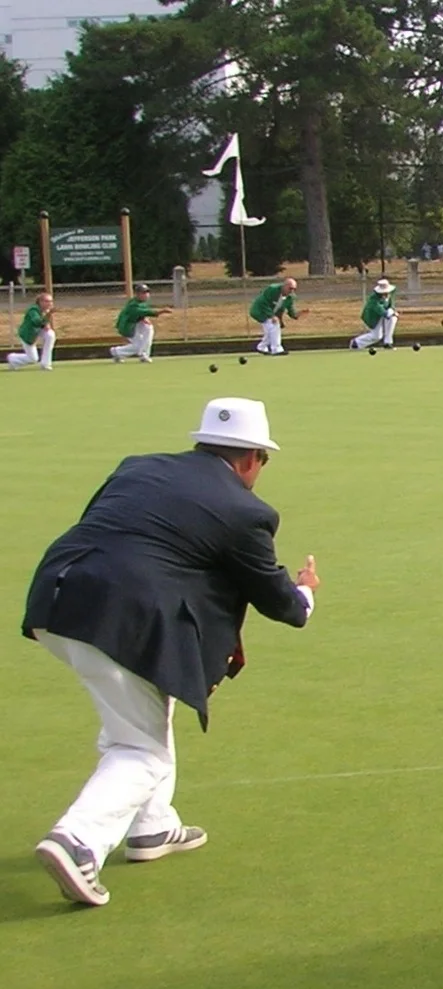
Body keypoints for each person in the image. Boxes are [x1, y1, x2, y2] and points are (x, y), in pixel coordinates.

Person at [25, 397, 320, 908]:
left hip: (56, 594)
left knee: (136, 706)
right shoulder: (246, 511)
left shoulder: (138, 468)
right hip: (119, 617)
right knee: (140, 751)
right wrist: (307, 590)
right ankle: (78, 841)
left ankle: (153, 826)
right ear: (251, 458)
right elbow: (283, 606)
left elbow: (129, 537)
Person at [111, 284, 167, 364]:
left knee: (148, 328)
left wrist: (143, 318)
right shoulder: (133, 305)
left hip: (135, 324)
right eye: (143, 292)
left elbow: (141, 313)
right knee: (138, 346)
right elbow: (141, 311)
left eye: (147, 292)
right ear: (137, 294)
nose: (146, 294)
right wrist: (160, 311)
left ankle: (143, 354)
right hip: (127, 327)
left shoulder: (142, 302)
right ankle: (116, 351)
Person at [249, 278, 300, 355]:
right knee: (274, 325)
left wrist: (297, 315)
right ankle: (276, 349)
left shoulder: (290, 297)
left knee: (271, 330)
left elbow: (291, 310)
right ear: (284, 286)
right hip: (259, 311)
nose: (291, 291)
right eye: (290, 288)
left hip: (271, 314)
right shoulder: (272, 289)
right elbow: (263, 302)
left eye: (294, 289)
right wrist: (272, 316)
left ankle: (262, 347)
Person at [8, 292, 56, 371]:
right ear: (40, 302)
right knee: (33, 359)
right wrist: (47, 318)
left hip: (37, 331)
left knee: (50, 334)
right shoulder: (33, 310)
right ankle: (12, 358)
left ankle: (46, 364)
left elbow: (43, 323)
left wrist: (46, 324)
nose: (50, 303)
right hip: (28, 334)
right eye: (47, 301)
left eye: (51, 301)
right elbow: (36, 322)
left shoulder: (46, 310)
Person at [351, 278, 399, 350]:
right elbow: (380, 309)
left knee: (393, 318)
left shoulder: (390, 294)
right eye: (383, 292)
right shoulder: (373, 299)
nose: (386, 293)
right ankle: (356, 342)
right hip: (373, 316)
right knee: (376, 336)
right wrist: (389, 313)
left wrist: (393, 311)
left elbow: (390, 304)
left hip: (384, 312)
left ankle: (388, 343)